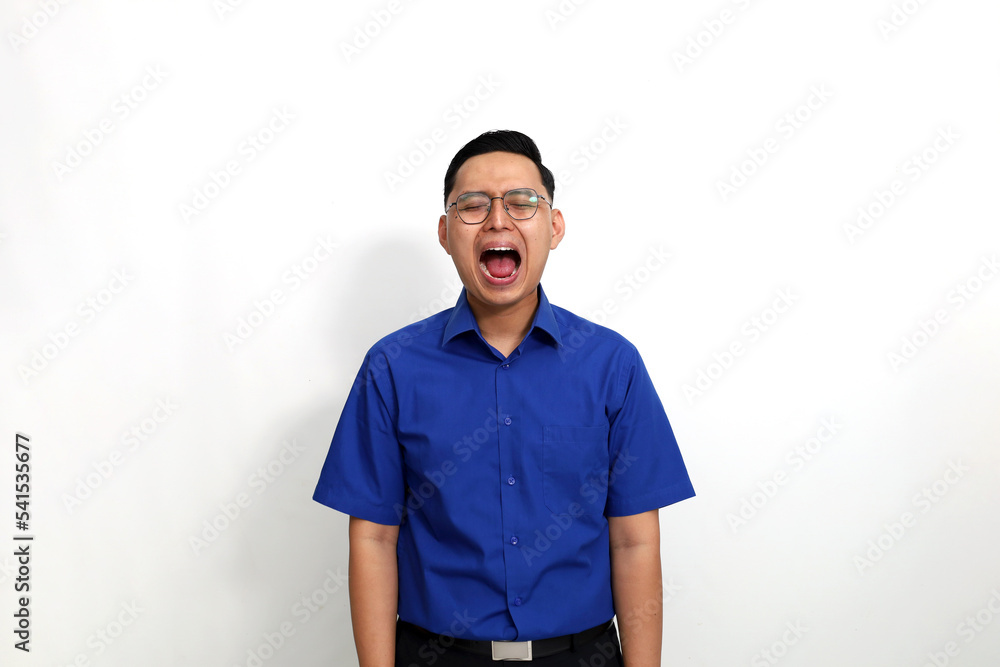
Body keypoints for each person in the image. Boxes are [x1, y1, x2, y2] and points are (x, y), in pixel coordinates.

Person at [313, 130, 695, 666]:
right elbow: (373, 541)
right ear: (445, 233)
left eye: (522, 202)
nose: (498, 220)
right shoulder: (392, 367)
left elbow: (634, 542)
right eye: (473, 206)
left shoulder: (612, 364)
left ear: (554, 226)